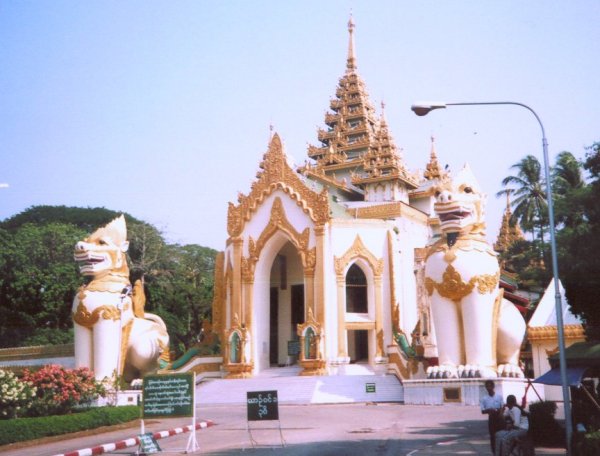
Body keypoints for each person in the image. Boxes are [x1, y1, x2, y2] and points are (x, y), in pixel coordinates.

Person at [481, 379, 504, 454]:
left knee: (501, 435)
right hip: (491, 418)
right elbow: (482, 411)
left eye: (490, 386)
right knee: (493, 436)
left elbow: (502, 407)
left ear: (493, 387)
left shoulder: (499, 397)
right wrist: (489, 410)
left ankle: (501, 451)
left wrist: (500, 413)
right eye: (487, 386)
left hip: (499, 418)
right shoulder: (484, 398)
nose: (488, 388)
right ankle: (494, 452)